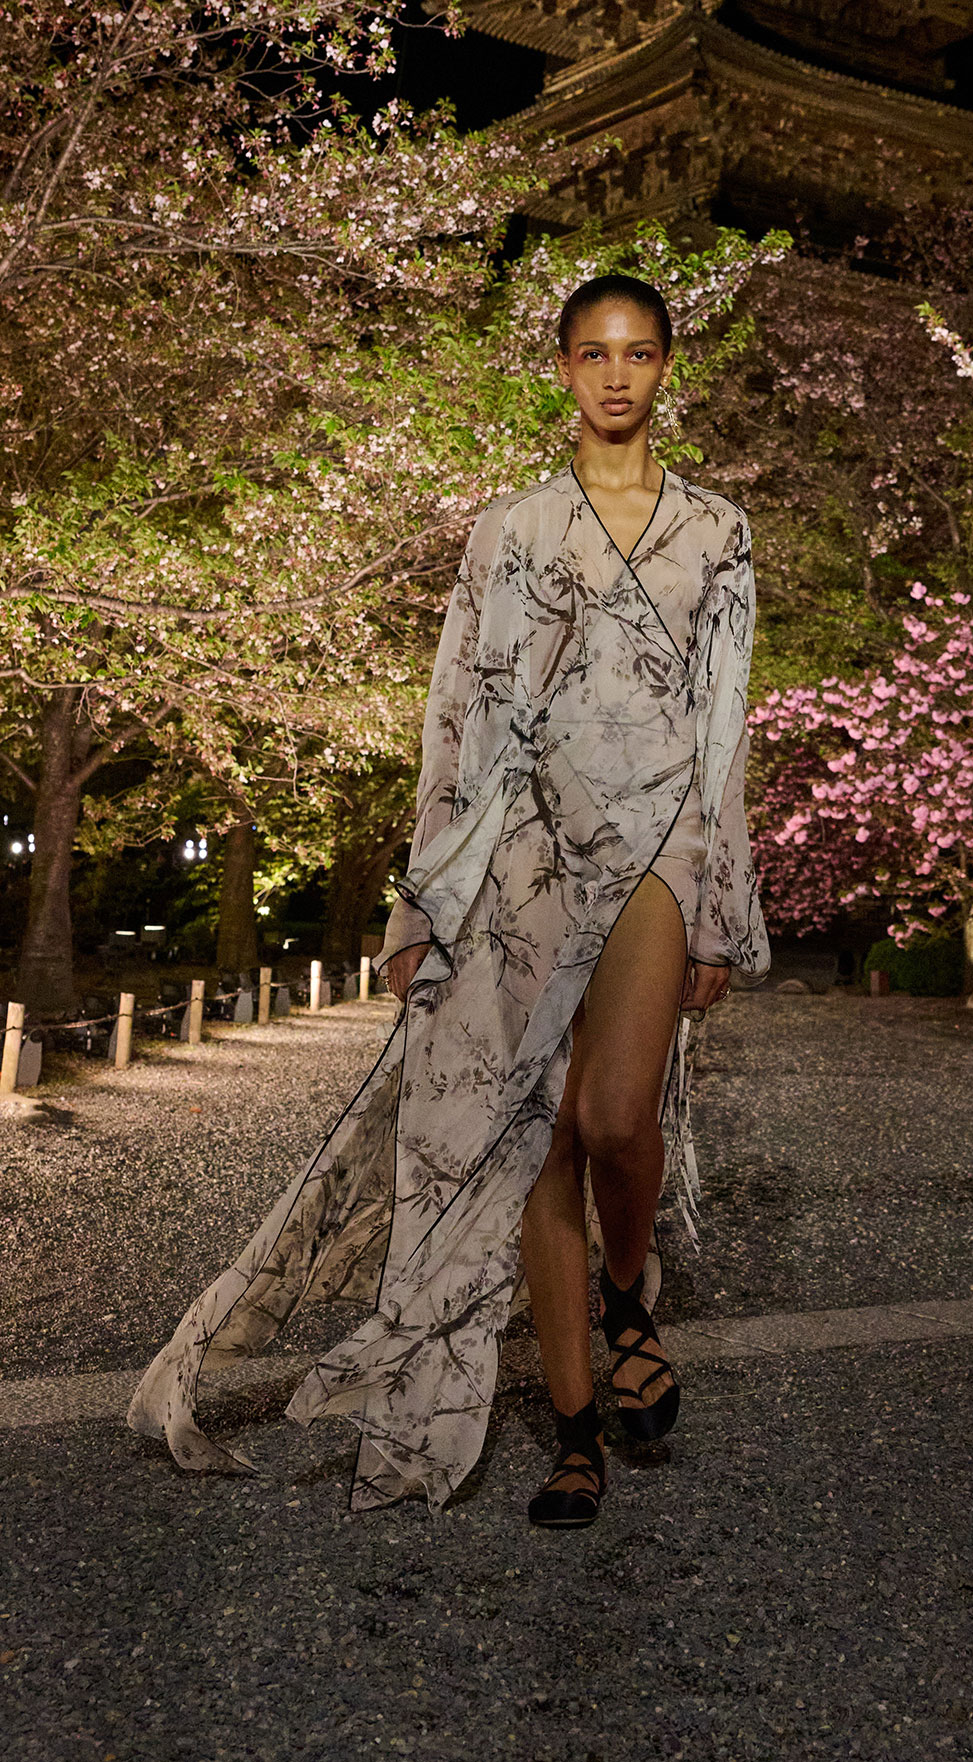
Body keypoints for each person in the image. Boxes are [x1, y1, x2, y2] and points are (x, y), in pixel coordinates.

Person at [126, 274, 770, 1526]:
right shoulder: (510, 530)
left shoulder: (717, 530)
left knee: (616, 1114)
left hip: (656, 843)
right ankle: (573, 1431)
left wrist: (723, 903)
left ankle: (627, 1292)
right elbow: (457, 718)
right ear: (563, 369)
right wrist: (421, 905)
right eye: (595, 353)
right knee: (533, 1133)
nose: (618, 375)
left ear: (667, 366)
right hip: (518, 847)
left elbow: (726, 722)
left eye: (640, 353)